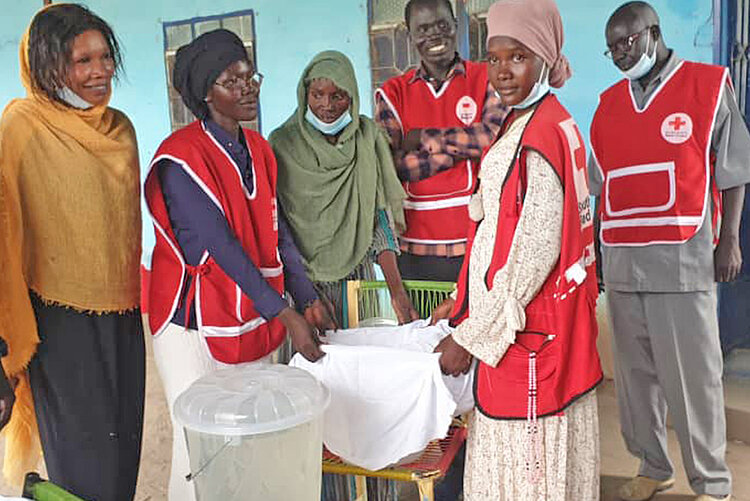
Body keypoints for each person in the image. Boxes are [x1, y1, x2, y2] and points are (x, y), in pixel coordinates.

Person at [144, 29, 334, 501]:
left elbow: (277, 231)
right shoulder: (180, 159)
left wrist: (306, 297)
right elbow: (220, 246)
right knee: (200, 449)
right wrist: (285, 313)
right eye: (233, 80)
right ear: (206, 94)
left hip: (249, 312)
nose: (249, 87)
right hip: (192, 325)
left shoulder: (260, 150)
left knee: (248, 443)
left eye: (252, 76)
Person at [434, 0, 603, 499]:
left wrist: (470, 337)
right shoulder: (526, 122)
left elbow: (530, 258)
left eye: (518, 57)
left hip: (530, 339)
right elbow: (493, 231)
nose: (503, 71)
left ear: (545, 58)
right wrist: (462, 303)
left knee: (526, 478)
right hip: (525, 329)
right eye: (495, 58)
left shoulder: (542, 137)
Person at [589, 2, 750, 500]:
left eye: (628, 42)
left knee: (694, 382)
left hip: (683, 261)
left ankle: (713, 483)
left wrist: (730, 241)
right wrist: (596, 259)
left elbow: (734, 169)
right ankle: (652, 466)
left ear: (653, 32)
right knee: (636, 385)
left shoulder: (706, 86)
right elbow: (599, 191)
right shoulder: (608, 103)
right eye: (612, 46)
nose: (620, 53)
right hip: (621, 264)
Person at [0, 4, 145, 499]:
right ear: (48, 67)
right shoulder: (20, 129)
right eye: (82, 61)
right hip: (58, 328)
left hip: (124, 318)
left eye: (105, 57)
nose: (100, 71)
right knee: (85, 476)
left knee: (123, 462)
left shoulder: (120, 129)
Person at [270, 50, 416, 327]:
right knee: (310, 364)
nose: (326, 105)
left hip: (357, 283)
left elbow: (378, 217)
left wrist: (396, 291)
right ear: (305, 95)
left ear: (352, 97)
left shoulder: (366, 137)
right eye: (317, 94)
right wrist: (306, 296)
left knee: (360, 364)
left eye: (337, 96)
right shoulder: (282, 145)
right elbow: (279, 228)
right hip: (302, 285)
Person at [375, 0, 507, 283]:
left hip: (479, 241)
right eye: (423, 29)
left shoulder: (486, 78)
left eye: (442, 25)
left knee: (476, 326)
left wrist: (422, 137)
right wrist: (462, 150)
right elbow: (390, 166)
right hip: (414, 248)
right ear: (409, 35)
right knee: (422, 326)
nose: (434, 35)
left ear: (456, 27)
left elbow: (491, 138)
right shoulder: (392, 93)